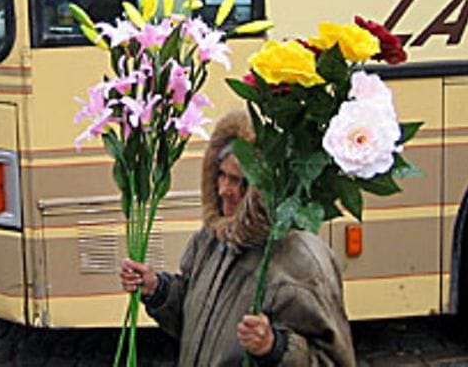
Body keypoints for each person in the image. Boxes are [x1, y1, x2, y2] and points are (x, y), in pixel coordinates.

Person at [120, 111, 356, 365]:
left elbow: (332, 360)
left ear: (264, 187)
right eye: (220, 175)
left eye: (236, 180)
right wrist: (158, 289)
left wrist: (274, 347)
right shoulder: (210, 240)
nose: (223, 190)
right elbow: (194, 322)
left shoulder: (301, 258)